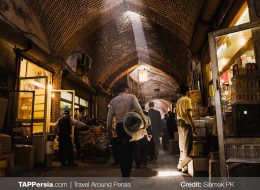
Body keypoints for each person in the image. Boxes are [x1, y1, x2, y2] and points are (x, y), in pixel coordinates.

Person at [107, 83, 146, 177]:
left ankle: (124, 172)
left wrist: (109, 130)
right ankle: (127, 172)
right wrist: (144, 121)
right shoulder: (132, 97)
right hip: (129, 125)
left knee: (122, 149)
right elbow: (138, 109)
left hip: (119, 126)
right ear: (125, 89)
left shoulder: (113, 101)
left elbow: (109, 117)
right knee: (130, 149)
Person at [176, 84, 195, 173]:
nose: (190, 91)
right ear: (187, 91)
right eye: (189, 90)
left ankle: (180, 165)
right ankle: (184, 167)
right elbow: (188, 113)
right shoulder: (187, 100)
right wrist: (193, 126)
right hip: (186, 123)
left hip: (179, 123)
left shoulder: (179, 100)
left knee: (182, 145)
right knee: (188, 145)